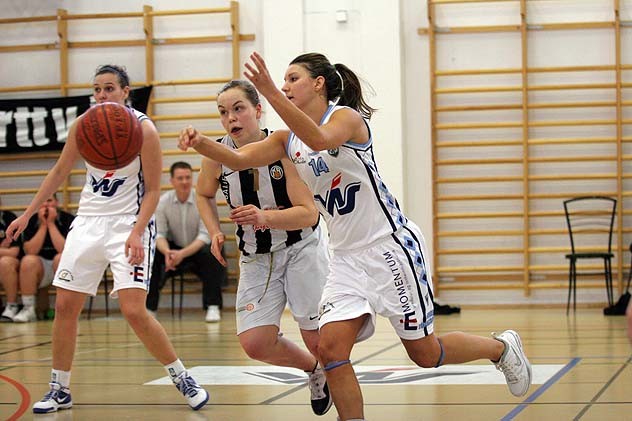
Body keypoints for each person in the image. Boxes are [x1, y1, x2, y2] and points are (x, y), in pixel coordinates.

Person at [179, 52, 532, 421]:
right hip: (346, 259)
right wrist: (199, 141)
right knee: (330, 350)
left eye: (292, 79)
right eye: (282, 81)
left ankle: (500, 348)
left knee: (425, 354)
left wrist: (268, 91)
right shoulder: (286, 140)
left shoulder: (345, 119)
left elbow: (318, 139)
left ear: (318, 83)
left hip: (389, 247)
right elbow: (237, 159)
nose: (284, 86)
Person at [6, 64, 208, 414]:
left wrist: (136, 232)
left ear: (126, 92)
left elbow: (153, 191)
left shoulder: (144, 129)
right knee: (65, 307)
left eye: (110, 88)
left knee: (133, 310)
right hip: (87, 222)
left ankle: (182, 377)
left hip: (129, 222)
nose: (102, 95)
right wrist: (27, 213)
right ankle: (59, 388)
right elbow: (59, 171)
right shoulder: (83, 126)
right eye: (97, 89)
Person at [195, 79, 332, 416]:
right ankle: (313, 369)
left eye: (238, 109)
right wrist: (214, 231)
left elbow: (309, 214)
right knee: (254, 343)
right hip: (255, 256)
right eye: (223, 112)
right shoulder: (217, 155)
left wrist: (264, 217)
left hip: (300, 247)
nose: (231, 118)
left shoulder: (282, 149)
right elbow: (203, 193)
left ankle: (346, 405)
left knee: (318, 338)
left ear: (257, 111)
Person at [147, 161, 225, 322]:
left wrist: (181, 254)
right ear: (172, 181)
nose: (184, 182)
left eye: (187, 177)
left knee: (212, 252)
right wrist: (167, 252)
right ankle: (150, 308)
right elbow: (159, 234)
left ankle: (213, 306)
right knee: (153, 255)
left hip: (197, 250)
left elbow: (205, 235)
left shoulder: (201, 200)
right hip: (173, 250)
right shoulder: (163, 202)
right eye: (180, 178)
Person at [4, 195, 74, 323]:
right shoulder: (31, 221)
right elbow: (31, 251)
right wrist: (43, 225)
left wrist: (51, 224)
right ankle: (28, 308)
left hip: (62, 266)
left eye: (49, 201)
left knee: (60, 258)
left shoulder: (68, 219)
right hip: (40, 268)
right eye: (42, 202)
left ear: (56, 203)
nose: (46, 205)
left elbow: (64, 250)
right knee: (28, 260)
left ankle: (67, 309)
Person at [0, 204, 21, 321]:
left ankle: (12, 305)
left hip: (14, 262)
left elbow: (13, 252)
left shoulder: (8, 218)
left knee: (5, 262)